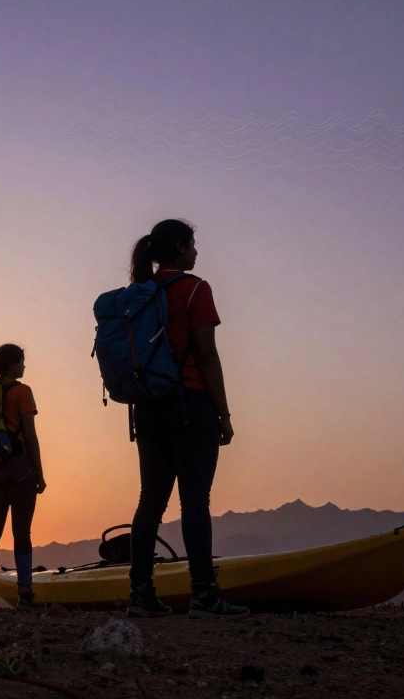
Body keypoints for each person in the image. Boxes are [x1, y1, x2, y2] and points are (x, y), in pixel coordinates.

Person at [124, 218, 249, 619]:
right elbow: (207, 354)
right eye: (193, 244)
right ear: (179, 247)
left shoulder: (140, 292)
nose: (197, 252)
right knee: (195, 499)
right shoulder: (195, 288)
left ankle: (140, 594)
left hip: (147, 407)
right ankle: (204, 595)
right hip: (190, 403)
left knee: (150, 501)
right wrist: (224, 414)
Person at [0, 344, 46, 610]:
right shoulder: (22, 392)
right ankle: (25, 596)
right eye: (22, 362)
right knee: (21, 533)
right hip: (19, 471)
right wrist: (39, 472)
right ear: (13, 364)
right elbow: (30, 435)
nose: (24, 366)